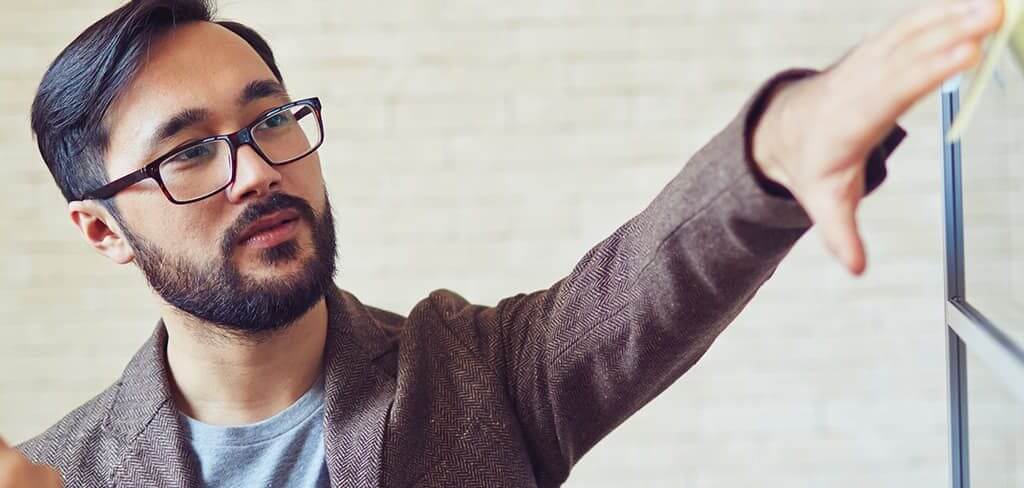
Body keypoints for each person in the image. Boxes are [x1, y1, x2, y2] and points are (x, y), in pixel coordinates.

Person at [0, 0, 1002, 486]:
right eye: (187, 153)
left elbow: (645, 277)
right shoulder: (63, 475)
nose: (257, 168)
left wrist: (783, 144)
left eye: (269, 119)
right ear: (102, 229)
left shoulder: (474, 373)